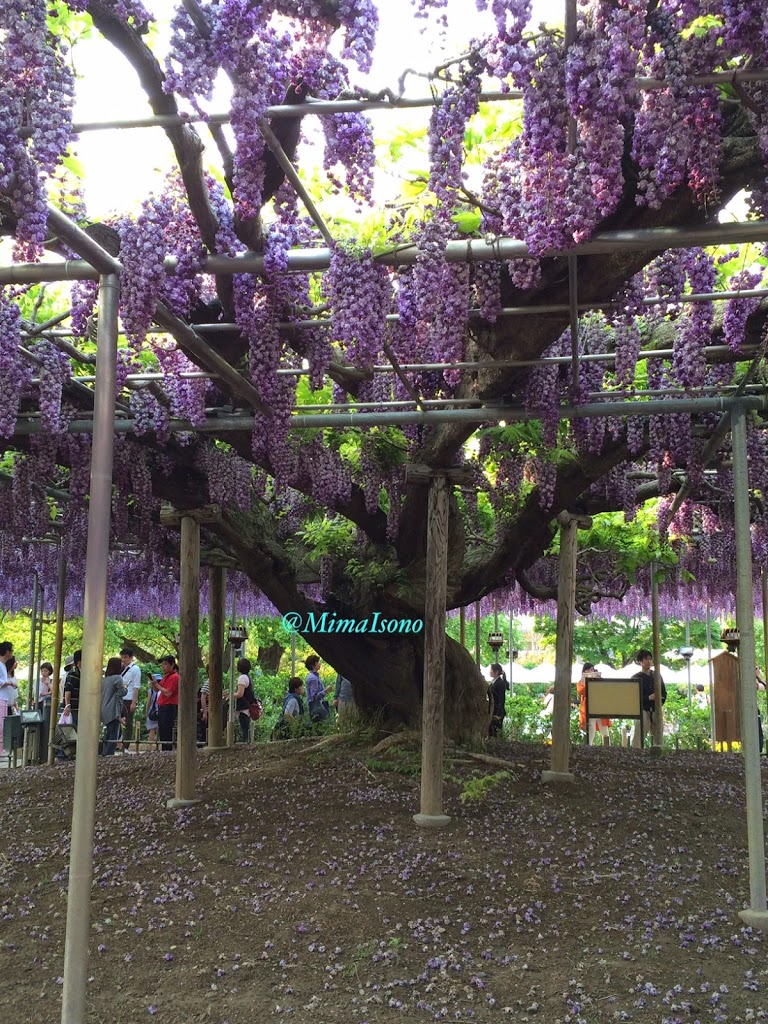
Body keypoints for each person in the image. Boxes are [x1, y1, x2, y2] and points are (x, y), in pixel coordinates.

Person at [631, 649, 666, 748]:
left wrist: (660, 700)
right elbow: (633, 697)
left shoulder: (657, 675)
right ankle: (636, 753)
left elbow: (664, 692)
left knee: (658, 737)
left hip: (656, 709)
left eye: (650, 659)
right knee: (639, 735)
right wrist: (648, 698)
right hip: (642, 710)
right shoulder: (636, 678)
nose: (649, 661)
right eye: (646, 659)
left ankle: (658, 753)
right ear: (641, 661)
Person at [576, 663, 610, 745]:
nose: (591, 671)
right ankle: (589, 747)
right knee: (590, 729)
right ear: (584, 671)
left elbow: (606, 690)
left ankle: (608, 748)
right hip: (588, 709)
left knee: (604, 730)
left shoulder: (599, 679)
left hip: (600, 708)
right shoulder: (580, 682)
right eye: (589, 670)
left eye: (592, 669)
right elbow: (582, 691)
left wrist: (599, 680)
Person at [101, 657, 127, 756]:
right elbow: (122, 692)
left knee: (109, 732)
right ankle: (109, 753)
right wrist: (126, 688)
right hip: (113, 709)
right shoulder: (118, 678)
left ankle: (104, 751)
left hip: (104, 708)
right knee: (114, 734)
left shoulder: (106, 679)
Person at [118, 648, 142, 751]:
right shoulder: (121, 669)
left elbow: (136, 687)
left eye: (125, 657)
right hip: (120, 698)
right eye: (122, 657)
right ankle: (117, 743)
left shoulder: (135, 669)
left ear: (131, 658)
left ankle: (126, 746)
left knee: (128, 723)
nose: (123, 659)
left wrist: (133, 702)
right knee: (117, 721)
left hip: (129, 698)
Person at [154, 656, 179, 752]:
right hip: (162, 706)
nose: (163, 667)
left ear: (172, 665)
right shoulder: (166, 676)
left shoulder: (174, 677)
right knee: (162, 730)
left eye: (165, 664)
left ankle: (167, 750)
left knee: (167, 730)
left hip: (169, 706)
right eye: (162, 665)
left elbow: (168, 692)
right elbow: (158, 689)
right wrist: (154, 684)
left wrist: (157, 685)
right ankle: (165, 749)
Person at [233, 657, 256, 744]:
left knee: (244, 728)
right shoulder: (247, 677)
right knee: (245, 727)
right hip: (247, 705)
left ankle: (245, 744)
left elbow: (240, 694)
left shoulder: (242, 678)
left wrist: (230, 695)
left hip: (243, 707)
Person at [0, 640, 16, 759]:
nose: (11, 653)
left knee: (2, 726)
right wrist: (8, 682)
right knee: (0, 727)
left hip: (4, 699)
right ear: (7, 652)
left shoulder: (3, 666)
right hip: (0, 698)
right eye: (11, 651)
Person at [305, 655, 332, 722]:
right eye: (318, 662)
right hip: (316, 707)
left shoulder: (315, 677)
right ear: (314, 664)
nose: (320, 664)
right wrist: (326, 690)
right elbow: (314, 697)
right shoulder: (313, 679)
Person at [63, 650, 82, 728]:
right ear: (79, 662)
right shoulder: (73, 674)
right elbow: (68, 690)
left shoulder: (81, 673)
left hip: (78, 706)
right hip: (73, 707)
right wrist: (67, 705)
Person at [488, 663, 509, 737]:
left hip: (497, 710)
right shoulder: (493, 682)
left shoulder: (500, 683)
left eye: (491, 670)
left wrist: (499, 713)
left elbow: (501, 699)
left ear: (496, 672)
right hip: (492, 709)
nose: (489, 671)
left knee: (494, 730)